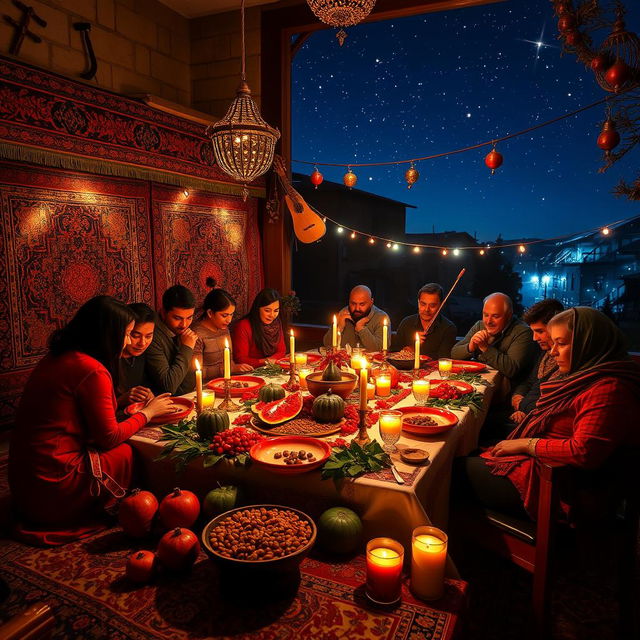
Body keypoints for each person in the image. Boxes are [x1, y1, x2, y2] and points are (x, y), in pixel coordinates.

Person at [8, 296, 175, 545]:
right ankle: (131, 509)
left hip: (23, 481)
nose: (130, 341)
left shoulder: (58, 357)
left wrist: (120, 401)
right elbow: (108, 438)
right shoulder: (91, 368)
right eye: (128, 334)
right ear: (107, 334)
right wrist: (148, 413)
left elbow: (74, 414)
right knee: (128, 452)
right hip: (52, 483)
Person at [457, 307, 640, 520]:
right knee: (467, 449)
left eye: (561, 344)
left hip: (552, 485)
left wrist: (527, 444)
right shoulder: (588, 376)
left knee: (448, 471)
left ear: (588, 344)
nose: (552, 352)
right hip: (545, 469)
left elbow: (584, 451)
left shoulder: (609, 389)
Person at [451, 292, 535, 389]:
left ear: (509, 316)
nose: (488, 321)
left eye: (495, 316)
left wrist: (485, 348)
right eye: (486, 315)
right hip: (477, 383)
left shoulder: (523, 332)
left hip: (505, 391)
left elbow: (512, 369)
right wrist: (470, 347)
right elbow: (454, 354)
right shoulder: (479, 325)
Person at [509, 299, 564, 424]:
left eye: (540, 331)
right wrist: (517, 396)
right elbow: (530, 382)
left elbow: (548, 407)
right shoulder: (545, 353)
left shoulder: (565, 360)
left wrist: (522, 406)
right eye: (533, 331)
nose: (534, 338)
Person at [193, 278, 253, 379]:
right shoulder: (196, 334)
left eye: (231, 315)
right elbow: (196, 371)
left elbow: (230, 361)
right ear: (210, 313)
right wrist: (229, 369)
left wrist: (237, 368)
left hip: (226, 381)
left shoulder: (224, 328)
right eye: (224, 315)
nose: (229, 320)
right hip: (204, 388)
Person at [145, 284, 197, 395]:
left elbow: (189, 383)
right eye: (177, 318)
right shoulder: (150, 335)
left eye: (189, 318)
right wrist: (187, 348)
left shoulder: (182, 330)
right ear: (163, 313)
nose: (184, 324)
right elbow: (169, 387)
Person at [391, 283, 457, 359]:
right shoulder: (406, 323)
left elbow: (443, 359)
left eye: (432, 305)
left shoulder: (448, 328)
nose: (426, 309)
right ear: (418, 303)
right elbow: (394, 352)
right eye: (423, 304)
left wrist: (416, 352)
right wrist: (407, 350)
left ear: (441, 305)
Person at [322, 285, 390, 351]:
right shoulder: (343, 314)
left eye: (362, 304)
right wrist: (339, 327)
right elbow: (327, 345)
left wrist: (362, 329)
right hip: (345, 361)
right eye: (353, 304)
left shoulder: (381, 318)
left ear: (371, 302)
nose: (357, 308)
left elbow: (380, 349)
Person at [232, 288, 286, 367]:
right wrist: (265, 361)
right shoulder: (243, 325)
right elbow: (240, 359)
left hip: (272, 368)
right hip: (250, 371)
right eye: (267, 310)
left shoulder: (276, 323)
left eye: (276, 311)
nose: (272, 315)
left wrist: (270, 361)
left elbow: (281, 351)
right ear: (258, 309)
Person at [117, 302, 155, 407]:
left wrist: (149, 396)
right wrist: (121, 400)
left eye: (148, 336)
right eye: (135, 335)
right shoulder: (109, 359)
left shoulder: (145, 354)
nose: (142, 343)